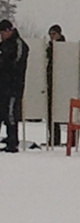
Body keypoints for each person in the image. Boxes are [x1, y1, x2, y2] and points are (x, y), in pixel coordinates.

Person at [0, 20, 29, 153]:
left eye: (2, 32)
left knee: (11, 113)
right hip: (3, 85)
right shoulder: (4, 45)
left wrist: (4, 65)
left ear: (9, 31)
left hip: (13, 86)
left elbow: (15, 64)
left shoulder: (18, 44)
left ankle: (12, 142)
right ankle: (9, 138)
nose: (1, 36)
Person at [46, 24, 66, 146]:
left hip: (59, 83)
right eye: (50, 34)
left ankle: (55, 138)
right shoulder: (50, 47)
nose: (51, 37)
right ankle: (54, 137)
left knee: (57, 111)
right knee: (51, 112)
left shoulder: (63, 49)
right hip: (52, 82)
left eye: (53, 34)